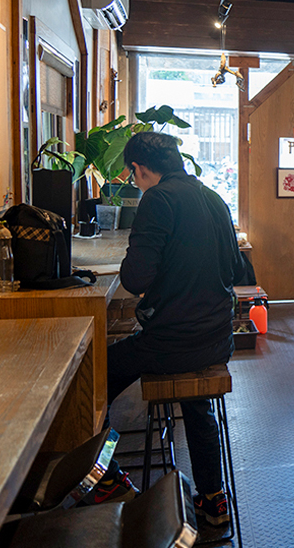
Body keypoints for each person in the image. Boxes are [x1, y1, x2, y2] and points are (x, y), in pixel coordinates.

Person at [101, 132, 243, 526]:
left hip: (173, 342)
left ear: (139, 169)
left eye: (132, 174)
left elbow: (134, 277)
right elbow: (235, 269)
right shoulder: (213, 198)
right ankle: (213, 500)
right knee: (195, 401)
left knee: (92, 377)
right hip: (217, 340)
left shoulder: (157, 199)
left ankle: (104, 477)